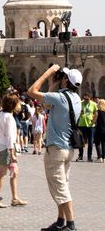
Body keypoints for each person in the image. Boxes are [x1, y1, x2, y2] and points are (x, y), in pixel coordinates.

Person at [28, 65, 82, 231]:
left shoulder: (60, 98)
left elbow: (32, 91)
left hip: (56, 150)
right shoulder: (76, 99)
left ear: (66, 80)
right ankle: (60, 220)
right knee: (62, 184)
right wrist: (53, 84)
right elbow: (47, 107)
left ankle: (71, 225)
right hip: (68, 150)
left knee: (61, 188)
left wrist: (48, 73)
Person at [0, 94, 27, 208]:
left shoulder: (0, 115)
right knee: (2, 174)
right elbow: (10, 136)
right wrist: (12, 153)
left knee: (14, 171)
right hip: (7, 148)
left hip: (1, 147)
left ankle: (15, 198)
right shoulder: (9, 118)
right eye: (18, 103)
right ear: (13, 105)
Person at [76, 93, 97, 162]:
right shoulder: (80, 103)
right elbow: (76, 112)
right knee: (81, 141)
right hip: (81, 124)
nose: (86, 100)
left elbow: (96, 113)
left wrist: (93, 121)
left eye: (87, 99)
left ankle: (89, 157)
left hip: (90, 125)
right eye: (85, 99)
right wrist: (79, 113)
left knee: (90, 142)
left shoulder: (93, 104)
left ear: (90, 98)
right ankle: (80, 156)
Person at [94, 99, 105, 163]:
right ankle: (104, 158)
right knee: (104, 144)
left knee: (97, 143)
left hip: (99, 129)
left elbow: (94, 120)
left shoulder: (97, 112)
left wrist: (93, 121)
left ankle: (99, 157)